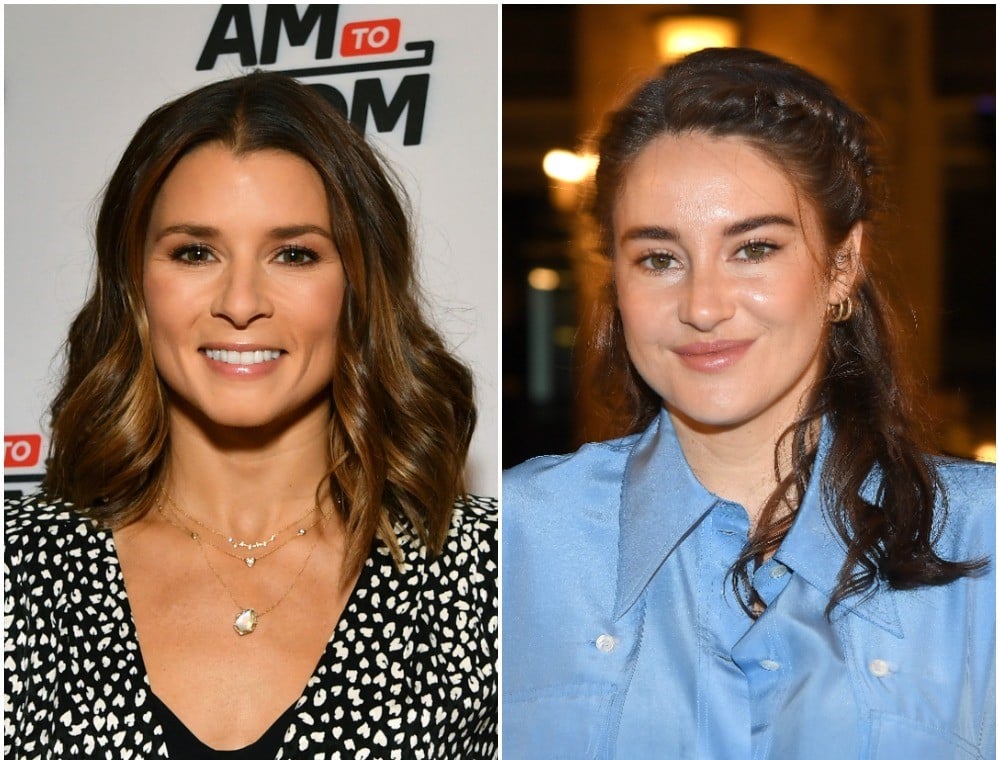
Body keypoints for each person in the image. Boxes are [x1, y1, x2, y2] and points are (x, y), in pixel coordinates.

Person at [502, 47, 994, 759]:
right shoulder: (509, 543)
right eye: (658, 258)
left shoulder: (983, 541)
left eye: (753, 248)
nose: (702, 306)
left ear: (842, 264)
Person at [5, 71, 497, 759]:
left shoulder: (486, 571)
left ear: (358, 287)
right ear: (135, 283)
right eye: (194, 252)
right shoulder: (18, 566)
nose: (240, 302)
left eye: (293, 254)